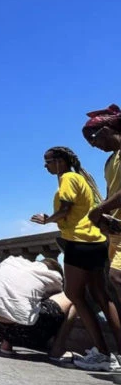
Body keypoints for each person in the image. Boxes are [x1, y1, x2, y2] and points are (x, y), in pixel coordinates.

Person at [30, 146, 121, 372]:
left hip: (79, 242)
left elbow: (66, 208)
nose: (46, 166)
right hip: (97, 240)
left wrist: (47, 219)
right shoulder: (81, 177)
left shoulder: (68, 178)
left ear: (60, 161)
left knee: (74, 295)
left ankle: (102, 353)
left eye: (48, 161)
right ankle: (116, 351)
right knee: (102, 297)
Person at [0, 255, 74, 359]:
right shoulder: (52, 275)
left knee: (9, 300)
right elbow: (56, 297)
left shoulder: (10, 262)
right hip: (29, 332)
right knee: (72, 298)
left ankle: (6, 346)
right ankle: (57, 350)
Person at [83, 105, 121, 300]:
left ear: (106, 130)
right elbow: (110, 195)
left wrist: (100, 208)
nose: (93, 145)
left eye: (93, 139)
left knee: (117, 277)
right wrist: (101, 215)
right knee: (115, 280)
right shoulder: (109, 162)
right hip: (116, 231)